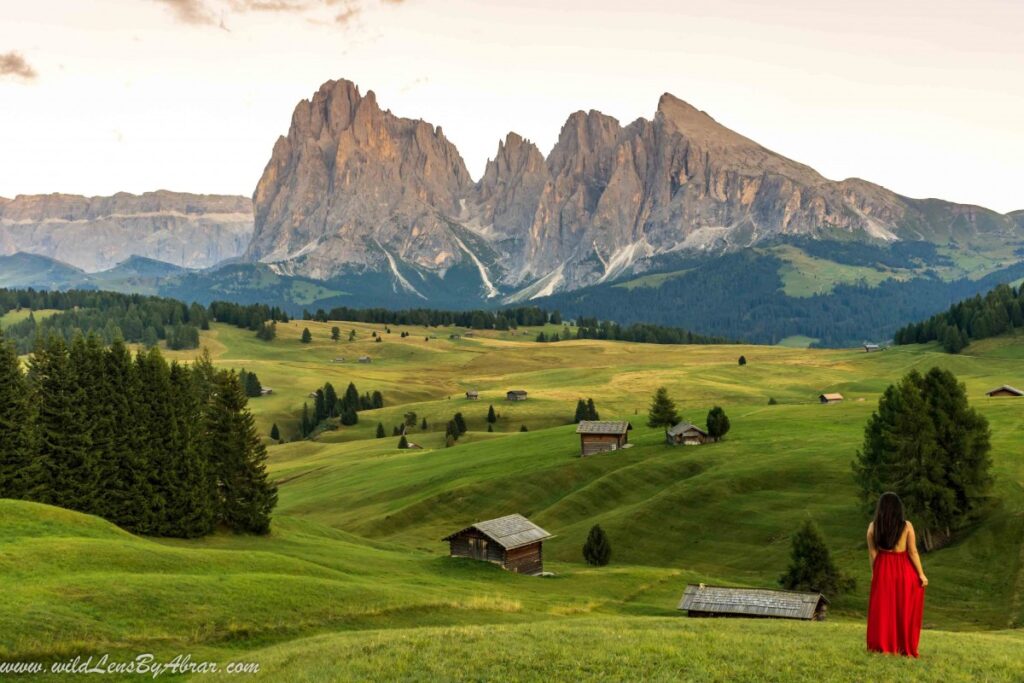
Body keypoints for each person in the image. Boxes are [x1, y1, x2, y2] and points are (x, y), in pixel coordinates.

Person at [866, 492, 927, 657]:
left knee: (884, 610)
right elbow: (913, 551)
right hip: (903, 569)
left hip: (883, 569)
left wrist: (875, 574)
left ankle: (884, 645)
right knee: (904, 609)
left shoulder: (873, 527)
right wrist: (921, 574)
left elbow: (873, 555)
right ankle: (903, 646)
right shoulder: (906, 526)